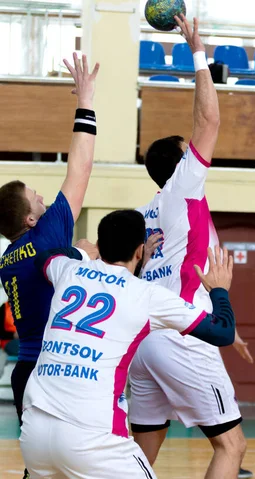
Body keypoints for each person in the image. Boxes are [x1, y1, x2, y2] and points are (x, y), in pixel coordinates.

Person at [19, 209, 237, 478]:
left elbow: (44, 257)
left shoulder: (69, 271)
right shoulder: (147, 295)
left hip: (34, 433)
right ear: (139, 251)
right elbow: (222, 332)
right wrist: (219, 290)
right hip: (93, 436)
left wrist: (82, 252)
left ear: (99, 246)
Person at [128, 15, 251, 479]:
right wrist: (197, 51)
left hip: (145, 339)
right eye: (190, 151)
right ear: (181, 164)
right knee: (231, 446)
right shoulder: (183, 189)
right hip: (183, 333)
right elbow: (210, 118)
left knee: (143, 447)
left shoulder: (143, 215)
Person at [0, 52, 99, 479]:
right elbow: (80, 165)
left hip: (24, 372)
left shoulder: (7, 259)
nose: (45, 197)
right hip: (57, 370)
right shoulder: (48, 235)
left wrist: (77, 256)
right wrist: (86, 103)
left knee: (37, 469)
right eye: (37, 196)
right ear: (29, 218)